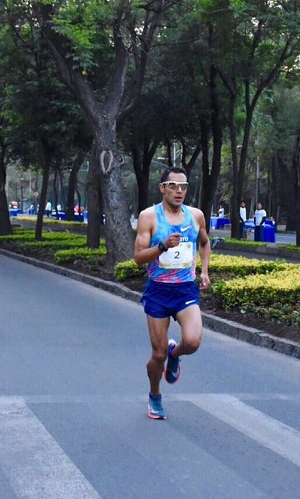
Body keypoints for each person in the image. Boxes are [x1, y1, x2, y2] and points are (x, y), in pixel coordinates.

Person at [133, 167, 211, 420]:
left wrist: (205, 271)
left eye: (184, 187)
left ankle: (174, 355)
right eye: (173, 186)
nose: (179, 191)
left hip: (185, 289)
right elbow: (137, 258)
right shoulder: (149, 217)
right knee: (157, 355)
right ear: (162, 188)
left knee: (193, 342)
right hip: (158, 291)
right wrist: (163, 245)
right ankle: (155, 395)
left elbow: (204, 242)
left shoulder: (196, 215)